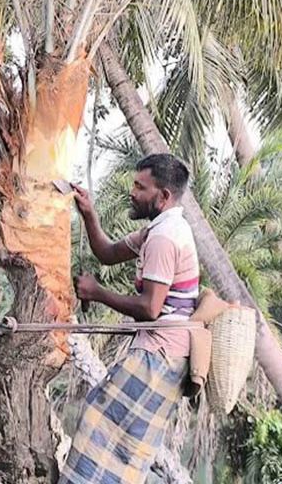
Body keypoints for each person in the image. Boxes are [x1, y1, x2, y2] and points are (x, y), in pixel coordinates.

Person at [59, 153, 199, 484]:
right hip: (162, 355)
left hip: (161, 357)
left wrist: (98, 293)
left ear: (163, 196)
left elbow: (151, 308)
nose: (132, 192)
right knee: (124, 446)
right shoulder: (159, 229)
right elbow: (107, 253)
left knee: (99, 426)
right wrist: (89, 214)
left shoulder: (165, 237)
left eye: (140, 187)